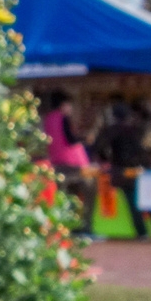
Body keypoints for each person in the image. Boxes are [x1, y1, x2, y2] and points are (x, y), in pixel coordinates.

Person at [97, 101, 151, 240]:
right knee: (150, 200)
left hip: (123, 171)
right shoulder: (137, 128)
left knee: (133, 203)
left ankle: (142, 233)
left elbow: (99, 147)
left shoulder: (112, 130)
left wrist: (106, 160)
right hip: (142, 170)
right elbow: (148, 149)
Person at [43, 93, 95, 236]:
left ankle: (67, 226)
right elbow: (70, 139)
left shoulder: (48, 119)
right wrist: (85, 139)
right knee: (87, 192)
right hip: (73, 164)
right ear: (63, 104)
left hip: (56, 162)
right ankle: (84, 227)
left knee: (66, 195)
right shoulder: (63, 118)